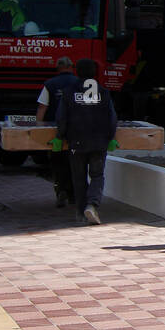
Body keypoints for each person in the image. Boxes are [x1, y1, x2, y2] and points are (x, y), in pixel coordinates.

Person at [54, 58, 118, 226]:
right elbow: (112, 118)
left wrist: (59, 137)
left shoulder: (68, 92)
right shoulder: (104, 92)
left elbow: (61, 117)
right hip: (99, 141)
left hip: (76, 141)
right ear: (95, 73)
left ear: (77, 71)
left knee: (78, 177)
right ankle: (93, 204)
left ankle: (80, 212)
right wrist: (111, 137)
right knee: (97, 175)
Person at [37, 57, 80, 209]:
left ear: (58, 68)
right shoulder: (80, 83)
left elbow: (42, 107)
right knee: (75, 163)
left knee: (58, 162)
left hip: (55, 132)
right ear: (72, 67)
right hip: (77, 131)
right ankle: (74, 195)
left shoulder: (50, 84)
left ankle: (61, 190)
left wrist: (38, 129)